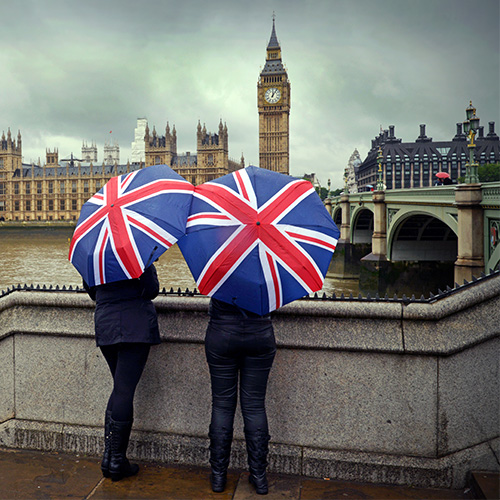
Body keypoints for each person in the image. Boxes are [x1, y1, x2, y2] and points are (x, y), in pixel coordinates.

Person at [84, 264, 160, 482]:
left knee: (119, 388)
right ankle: (117, 460)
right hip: (134, 325)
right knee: (124, 391)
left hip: (106, 324)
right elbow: (151, 290)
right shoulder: (138, 254)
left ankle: (109, 458)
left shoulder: (94, 254)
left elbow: (92, 291)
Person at [205, 297, 277, 495]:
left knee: (221, 405)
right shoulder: (267, 270)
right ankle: (259, 477)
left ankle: (219, 476)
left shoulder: (220, 267)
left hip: (222, 332)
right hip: (260, 333)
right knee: (255, 406)